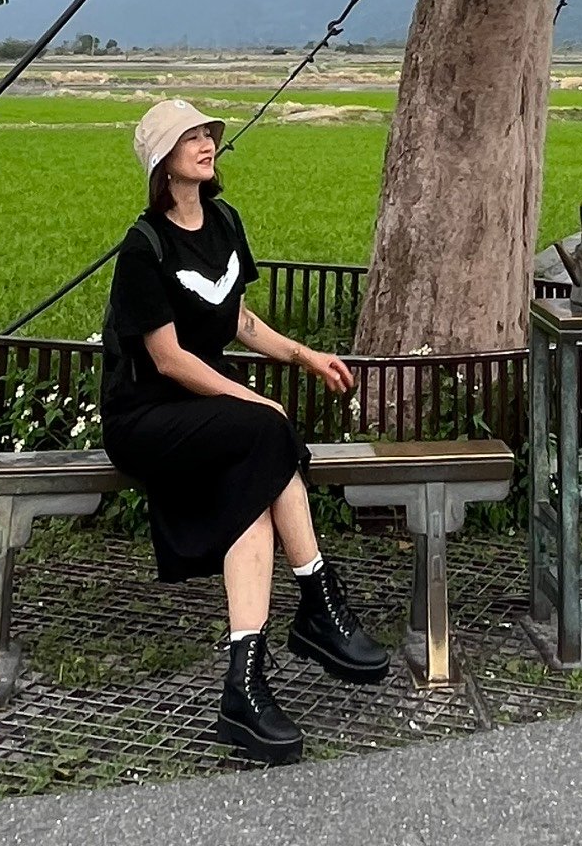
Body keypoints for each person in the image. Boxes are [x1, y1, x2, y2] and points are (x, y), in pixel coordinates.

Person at [100, 98, 391, 765]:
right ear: (162, 162)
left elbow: (236, 321)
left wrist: (304, 357)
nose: (206, 143)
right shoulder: (143, 246)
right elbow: (169, 359)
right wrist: (252, 400)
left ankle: (244, 690)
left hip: (207, 420)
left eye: (207, 134)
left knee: (251, 510)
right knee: (267, 431)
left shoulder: (224, 222)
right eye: (190, 137)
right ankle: (319, 602)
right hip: (145, 415)